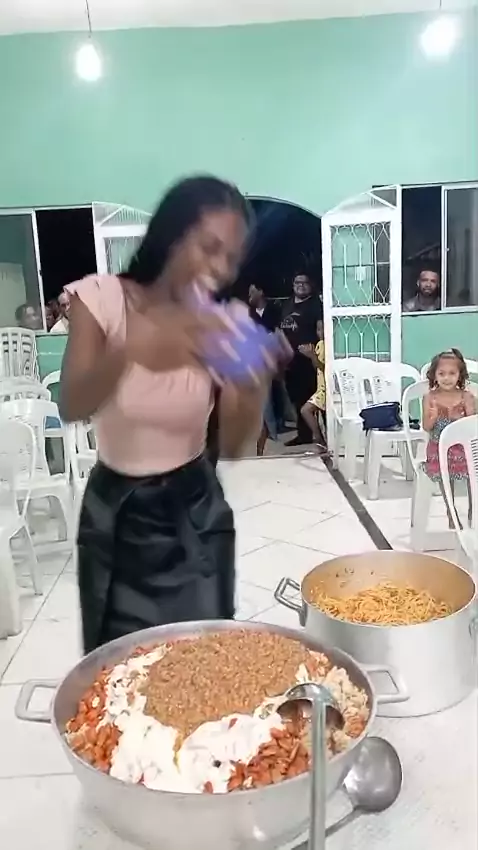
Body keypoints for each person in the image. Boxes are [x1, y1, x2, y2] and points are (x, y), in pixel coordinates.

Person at [59, 175, 274, 654]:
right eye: (208, 247)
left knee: (202, 658)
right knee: (119, 660)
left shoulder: (225, 323)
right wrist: (129, 350)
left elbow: (235, 447)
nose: (219, 268)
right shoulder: (101, 299)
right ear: (170, 235)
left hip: (195, 510)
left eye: (231, 258)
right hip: (117, 514)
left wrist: (251, 387)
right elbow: (72, 403)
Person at [423, 348, 476, 528]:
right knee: (445, 475)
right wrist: (433, 416)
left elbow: (472, 426)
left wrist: (462, 416)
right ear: (434, 375)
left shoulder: (466, 397)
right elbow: (426, 427)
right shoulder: (430, 397)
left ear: (460, 375)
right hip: (439, 447)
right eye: (442, 373)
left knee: (474, 472)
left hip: (463, 446)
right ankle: (451, 511)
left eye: (452, 373)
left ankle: (474, 509)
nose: (447, 378)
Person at [280, 273, 323, 446]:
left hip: (310, 360)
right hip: (291, 361)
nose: (301, 285)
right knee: (296, 399)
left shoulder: (315, 304)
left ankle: (325, 436)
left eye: (305, 283)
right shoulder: (287, 304)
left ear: (311, 286)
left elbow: (321, 329)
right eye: (297, 282)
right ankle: (304, 435)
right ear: (293, 285)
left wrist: (318, 350)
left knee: (316, 399)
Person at [248, 284, 281, 454]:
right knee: (263, 403)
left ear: (261, 292)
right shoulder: (248, 313)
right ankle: (263, 442)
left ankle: (274, 430)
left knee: (274, 399)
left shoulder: (275, 310)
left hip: (275, 360)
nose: (249, 296)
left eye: (252, 293)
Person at [299, 319, 328, 453]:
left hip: (326, 388)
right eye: (318, 329)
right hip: (321, 387)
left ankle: (319, 439)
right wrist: (311, 355)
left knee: (305, 410)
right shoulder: (319, 345)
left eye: (322, 329)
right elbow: (316, 366)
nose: (320, 332)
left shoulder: (327, 345)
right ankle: (321, 441)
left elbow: (323, 367)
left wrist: (312, 356)